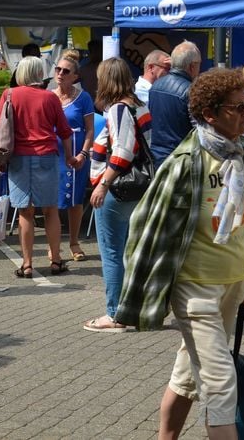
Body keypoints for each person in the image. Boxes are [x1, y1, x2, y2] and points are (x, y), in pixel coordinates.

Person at [115, 68, 244, 440]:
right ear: (210, 113)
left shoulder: (239, 152)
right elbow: (147, 226)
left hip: (231, 284)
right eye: (238, 107)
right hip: (196, 288)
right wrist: (142, 293)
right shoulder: (185, 162)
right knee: (220, 383)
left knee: (188, 375)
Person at [83, 57, 151, 332]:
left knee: (112, 253)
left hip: (117, 190)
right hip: (138, 188)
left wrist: (103, 184)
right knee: (129, 253)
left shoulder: (118, 110)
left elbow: (123, 151)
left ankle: (115, 314)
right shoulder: (139, 105)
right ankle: (134, 308)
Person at [0, 56, 73, 278]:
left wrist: (0, 158)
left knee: (25, 213)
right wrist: (69, 156)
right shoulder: (50, 98)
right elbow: (64, 131)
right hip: (46, 156)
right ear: (40, 73)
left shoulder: (9, 95)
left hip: (18, 157)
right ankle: (55, 260)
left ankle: (27, 264)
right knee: (50, 210)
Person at [52, 54, 95, 262]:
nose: (60, 74)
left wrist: (84, 153)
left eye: (65, 71)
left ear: (75, 76)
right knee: (52, 200)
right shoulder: (49, 96)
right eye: (58, 69)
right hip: (53, 155)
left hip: (76, 155)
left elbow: (89, 130)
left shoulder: (83, 98)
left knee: (75, 200)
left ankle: (74, 242)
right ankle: (54, 245)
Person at [148, 40, 201, 168]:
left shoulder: (155, 86)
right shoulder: (191, 91)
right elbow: (199, 130)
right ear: (192, 66)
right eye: (199, 64)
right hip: (181, 160)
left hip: (155, 157)